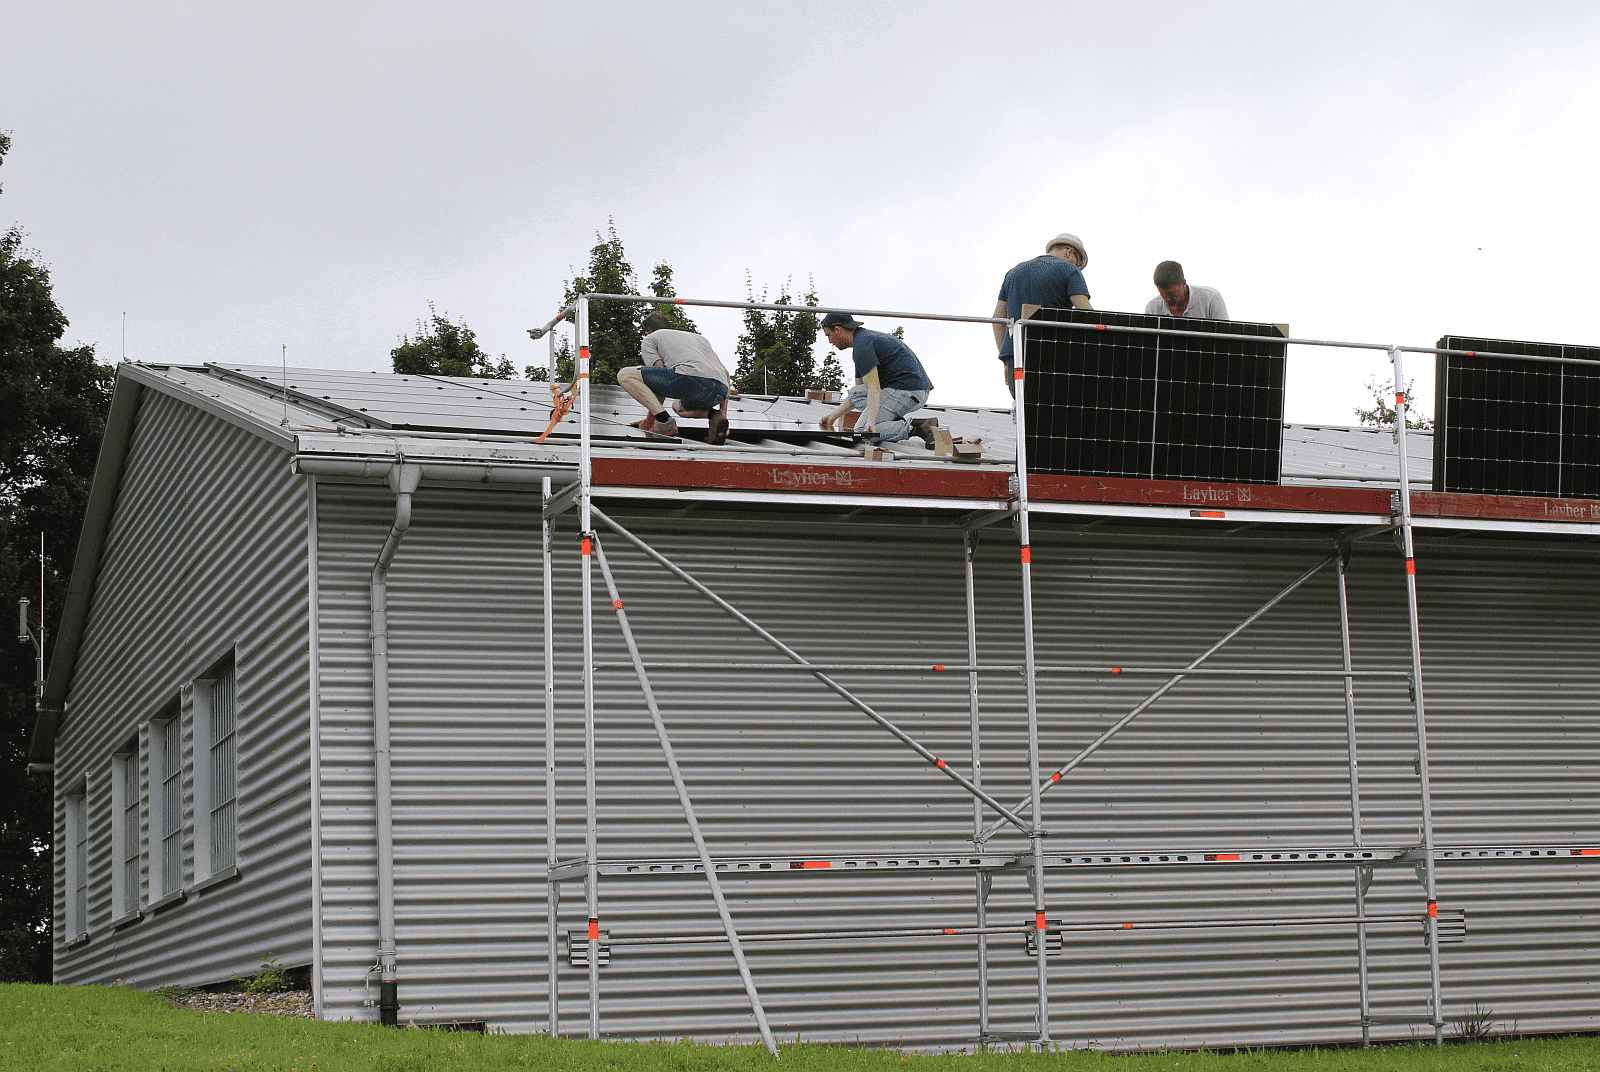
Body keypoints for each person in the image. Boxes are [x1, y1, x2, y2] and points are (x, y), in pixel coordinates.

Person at [817, 313, 937, 446]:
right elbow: (858, 391)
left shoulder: (863, 346)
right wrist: (832, 417)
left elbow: (874, 388)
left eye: (828, 335)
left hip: (908, 391)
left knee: (862, 432)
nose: (829, 341)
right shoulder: (862, 341)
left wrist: (871, 422)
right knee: (855, 393)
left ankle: (918, 427)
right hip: (906, 389)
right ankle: (891, 423)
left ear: (838, 330)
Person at [993, 232, 1093, 393]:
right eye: (1079, 264)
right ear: (1069, 252)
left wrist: (1005, 357)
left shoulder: (1013, 272)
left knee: (1025, 410)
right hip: (1054, 353)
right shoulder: (1069, 270)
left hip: (1017, 357)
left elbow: (998, 319)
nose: (1078, 268)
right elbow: (1087, 314)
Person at [617, 311, 732, 442]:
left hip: (691, 380)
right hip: (719, 390)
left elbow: (658, 376)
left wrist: (651, 421)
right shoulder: (700, 339)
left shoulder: (651, 338)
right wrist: (724, 413)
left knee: (625, 375)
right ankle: (714, 415)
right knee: (678, 406)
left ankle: (664, 421)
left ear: (647, 333)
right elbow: (726, 374)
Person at [1144, 261, 1228, 319]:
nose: (1167, 299)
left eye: (1171, 294)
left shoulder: (1211, 299)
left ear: (1183, 283)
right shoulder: (1152, 308)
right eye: (1162, 293)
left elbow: (1224, 338)